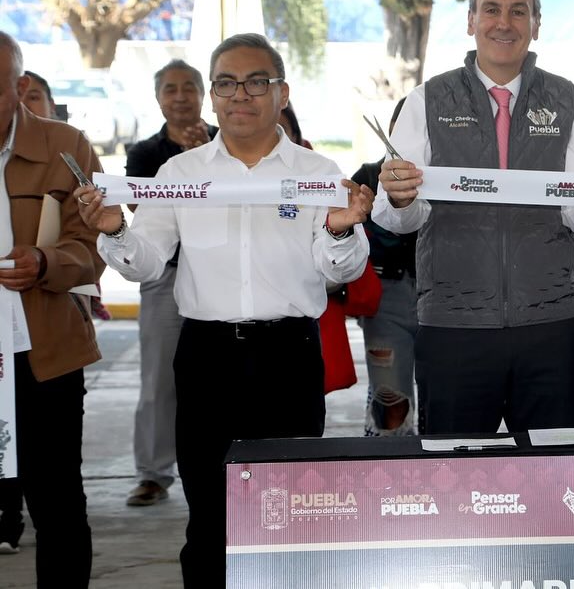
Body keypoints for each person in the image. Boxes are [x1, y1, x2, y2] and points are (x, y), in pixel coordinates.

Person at [77, 33, 373, 587]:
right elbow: (144, 264)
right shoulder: (182, 175)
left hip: (289, 355)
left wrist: (340, 227)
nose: (242, 94)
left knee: (290, 518)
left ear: (281, 92)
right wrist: (115, 229)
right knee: (210, 519)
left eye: (257, 81)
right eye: (227, 83)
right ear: (212, 95)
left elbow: (342, 271)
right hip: (206, 357)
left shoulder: (317, 170)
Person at [374, 0, 574, 434]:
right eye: (491, 9)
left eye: (518, 11)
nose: (504, 23)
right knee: (454, 479)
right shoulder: (427, 101)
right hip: (453, 327)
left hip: (551, 325)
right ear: (470, 21)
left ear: (536, 23)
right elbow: (394, 218)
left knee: (555, 479)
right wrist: (401, 198)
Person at [0, 30, 104, 586]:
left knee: (58, 504)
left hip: (45, 356)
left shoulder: (67, 147)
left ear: (18, 87)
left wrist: (44, 263)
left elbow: (93, 249)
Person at [122, 59, 215, 508]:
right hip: (163, 276)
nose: (180, 97)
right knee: (159, 380)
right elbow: (146, 220)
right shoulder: (143, 153)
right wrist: (187, 162)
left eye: (188, 88)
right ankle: (153, 474)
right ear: (158, 98)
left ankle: (230, 464)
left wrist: (208, 153)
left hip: (216, 273)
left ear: (202, 93)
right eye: (170, 89)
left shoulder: (227, 140)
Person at [351, 97, 419, 435]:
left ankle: (443, 480)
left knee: (446, 400)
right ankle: (390, 481)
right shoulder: (365, 175)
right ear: (390, 129)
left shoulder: (452, 179)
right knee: (390, 400)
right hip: (385, 300)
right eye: (404, 125)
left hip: (449, 299)